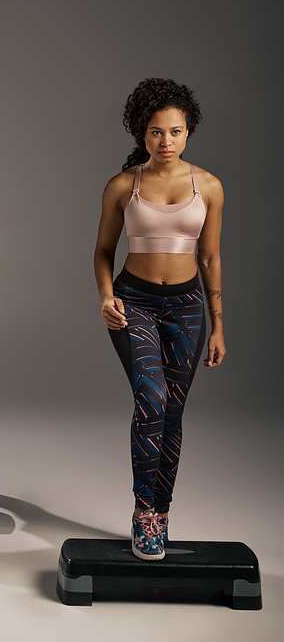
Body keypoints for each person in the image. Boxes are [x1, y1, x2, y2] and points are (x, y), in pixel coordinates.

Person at [94, 78, 225, 560]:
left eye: (175, 131)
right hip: (135, 303)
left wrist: (219, 325)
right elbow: (104, 251)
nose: (165, 142)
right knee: (151, 397)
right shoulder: (122, 186)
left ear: (188, 132)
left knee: (172, 411)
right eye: (155, 132)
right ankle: (143, 510)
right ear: (140, 133)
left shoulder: (208, 186)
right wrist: (106, 297)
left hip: (188, 307)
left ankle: (162, 511)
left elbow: (210, 259)